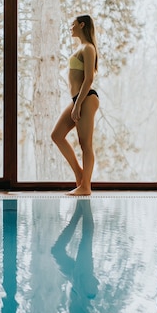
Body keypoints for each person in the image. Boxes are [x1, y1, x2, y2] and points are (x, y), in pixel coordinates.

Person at [51, 14, 99, 196]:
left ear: (82, 24)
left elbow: (89, 78)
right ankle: (80, 175)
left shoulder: (88, 48)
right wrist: (76, 102)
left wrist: (78, 104)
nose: (70, 27)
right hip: (78, 99)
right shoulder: (81, 47)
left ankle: (85, 186)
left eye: (72, 24)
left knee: (85, 144)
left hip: (85, 98)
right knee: (57, 135)